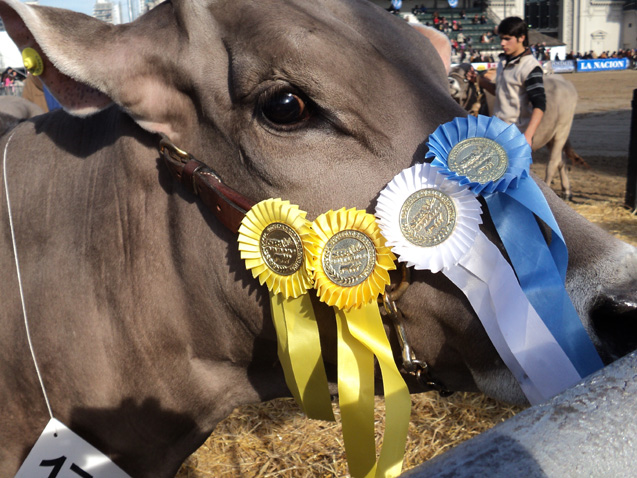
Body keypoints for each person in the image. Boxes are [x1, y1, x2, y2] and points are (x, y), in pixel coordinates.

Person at [478, 16, 545, 147]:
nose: (502, 43)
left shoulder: (531, 67)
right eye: (501, 38)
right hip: (496, 132)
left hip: (516, 135)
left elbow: (540, 104)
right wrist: (479, 80)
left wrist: (528, 136)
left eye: (507, 39)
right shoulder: (503, 62)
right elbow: (501, 92)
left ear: (521, 38)